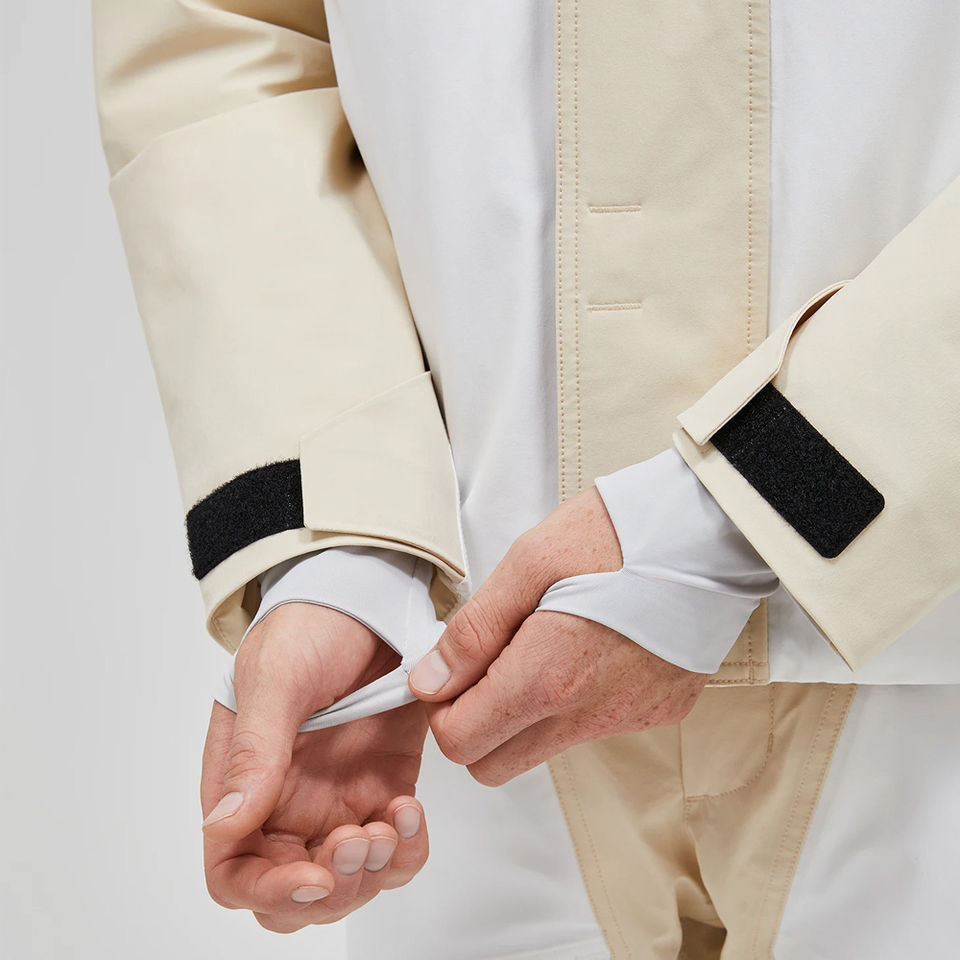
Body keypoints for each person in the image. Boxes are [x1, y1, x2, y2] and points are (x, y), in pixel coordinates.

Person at [91, 2, 960, 957]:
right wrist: (345, 553)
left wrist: (765, 501)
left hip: (920, 651)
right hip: (468, 693)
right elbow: (225, 35)